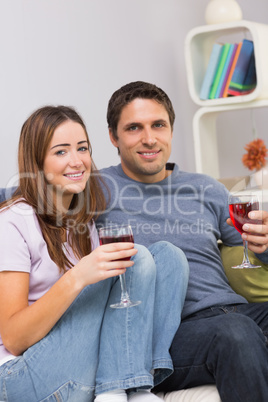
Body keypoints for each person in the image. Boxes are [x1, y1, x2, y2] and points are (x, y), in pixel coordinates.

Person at [0, 105, 189, 402]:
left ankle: (134, 386)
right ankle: (117, 389)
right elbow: (13, 338)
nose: (77, 161)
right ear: (37, 162)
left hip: (82, 363)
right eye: (61, 152)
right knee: (135, 256)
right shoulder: (13, 221)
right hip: (23, 376)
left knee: (169, 257)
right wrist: (77, 277)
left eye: (82, 148)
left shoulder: (81, 222)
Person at [96, 81, 268, 402]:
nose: (149, 138)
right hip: (168, 333)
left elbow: (252, 243)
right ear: (113, 137)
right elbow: (25, 197)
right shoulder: (95, 188)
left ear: (171, 130)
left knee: (237, 329)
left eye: (158, 125)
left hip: (233, 312)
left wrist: (266, 241)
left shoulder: (205, 188)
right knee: (236, 334)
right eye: (134, 128)